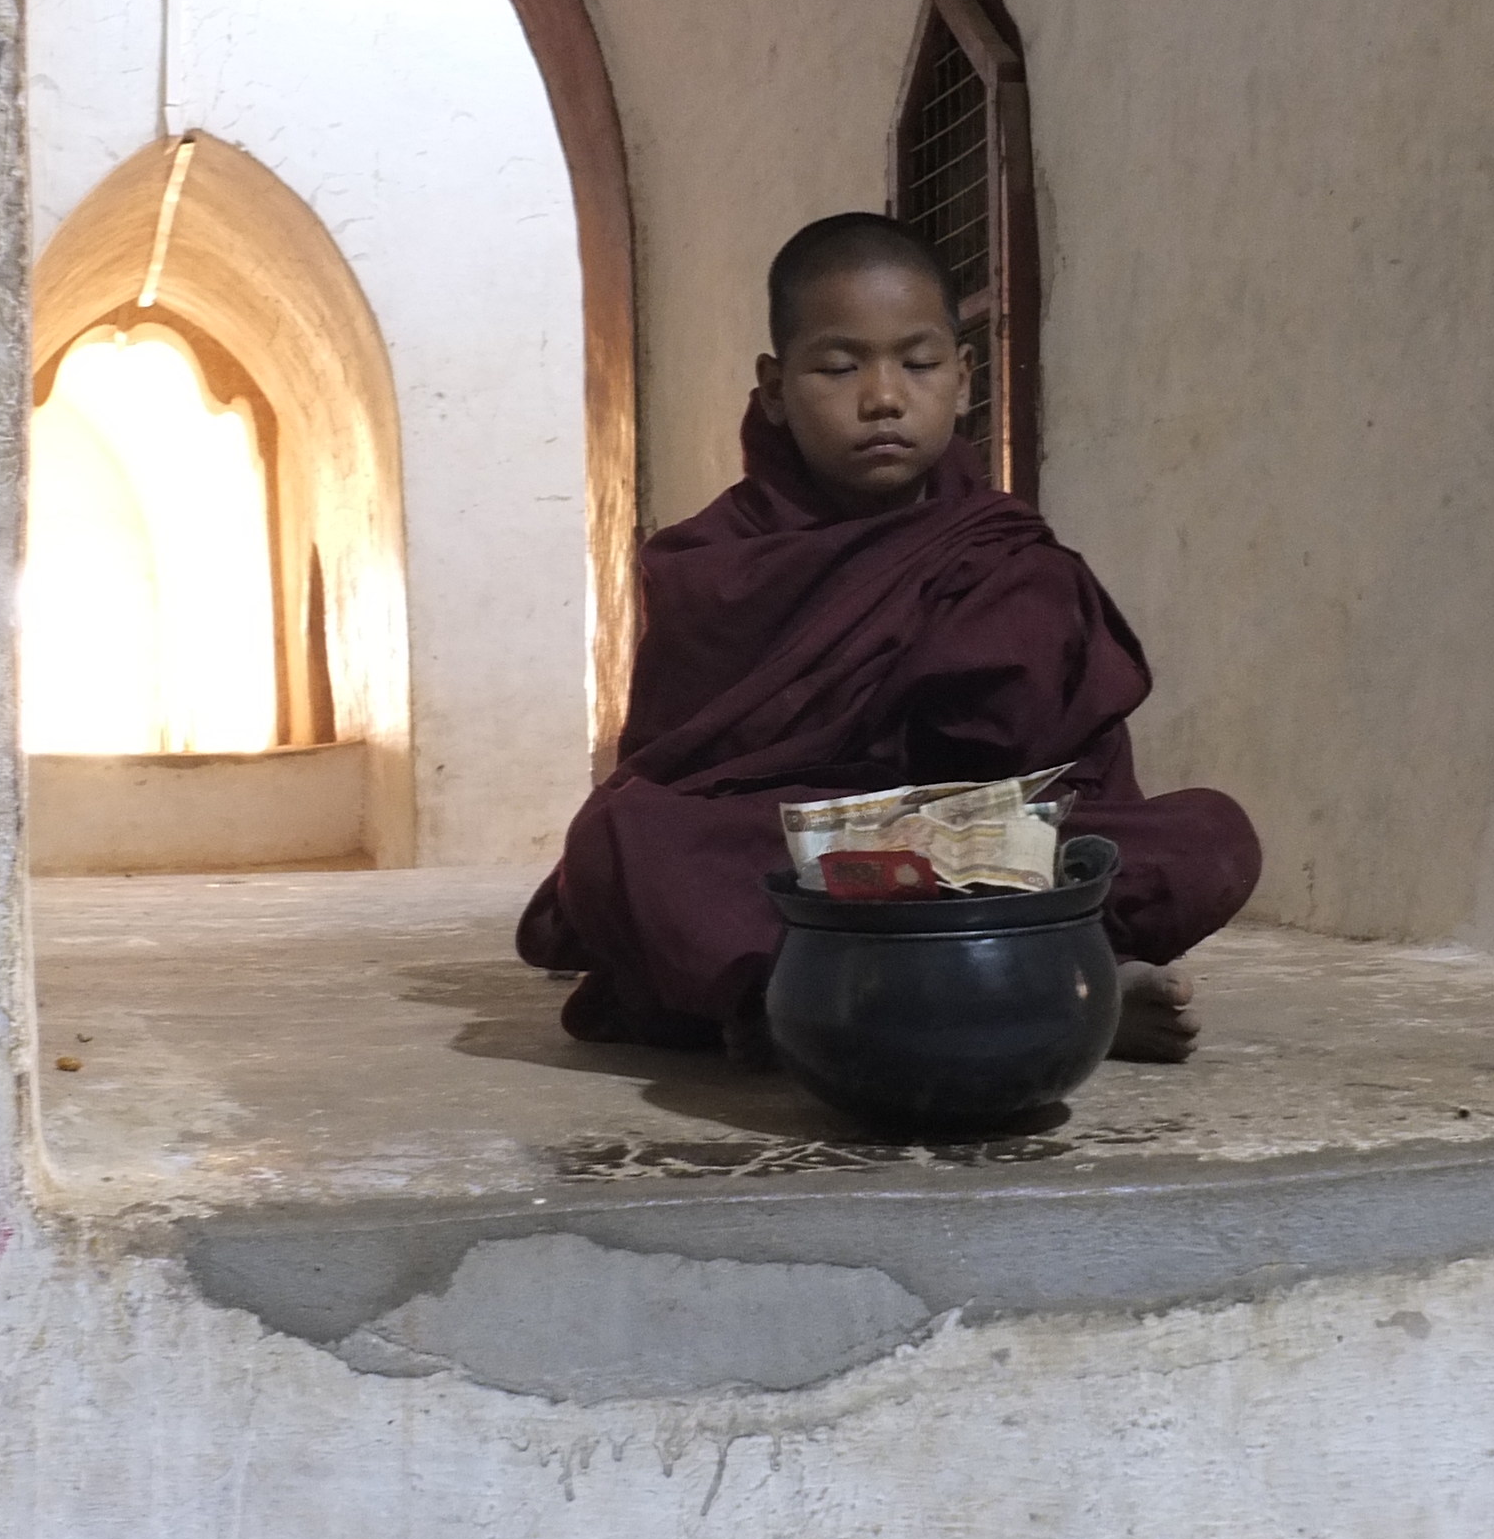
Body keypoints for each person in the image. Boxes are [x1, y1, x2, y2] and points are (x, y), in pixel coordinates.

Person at [517, 213, 1261, 1065]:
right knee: (626, 838)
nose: (882, 397)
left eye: (918, 363)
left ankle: (838, 1010)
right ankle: (1045, 993)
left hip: (977, 857)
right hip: (800, 863)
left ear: (965, 376)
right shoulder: (715, 565)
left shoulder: (1005, 555)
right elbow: (680, 773)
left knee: (1211, 835)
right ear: (772, 386)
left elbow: (1069, 775)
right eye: (838, 366)